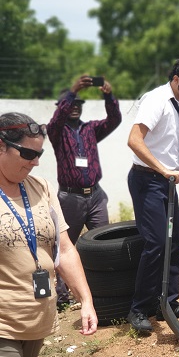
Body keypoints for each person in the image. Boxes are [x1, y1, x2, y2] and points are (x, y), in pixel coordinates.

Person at [0, 112, 98, 357]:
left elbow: (65, 250)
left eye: (39, 154)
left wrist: (86, 300)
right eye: (27, 153)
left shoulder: (40, 187)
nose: (35, 162)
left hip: (36, 320)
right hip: (3, 321)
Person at [126, 57, 179, 334]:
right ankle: (139, 308)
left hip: (169, 183)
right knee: (156, 242)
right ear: (175, 80)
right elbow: (134, 140)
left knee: (173, 243)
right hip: (147, 180)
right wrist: (161, 169)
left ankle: (168, 302)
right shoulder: (156, 100)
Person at [47, 75, 122, 310]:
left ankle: (103, 289)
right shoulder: (56, 132)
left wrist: (109, 96)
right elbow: (57, 119)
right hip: (71, 198)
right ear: (63, 107)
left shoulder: (90, 129)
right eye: (72, 105)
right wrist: (72, 91)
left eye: (79, 105)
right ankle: (61, 295)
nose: (75, 108)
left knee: (103, 242)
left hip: (96, 196)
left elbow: (114, 119)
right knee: (64, 245)